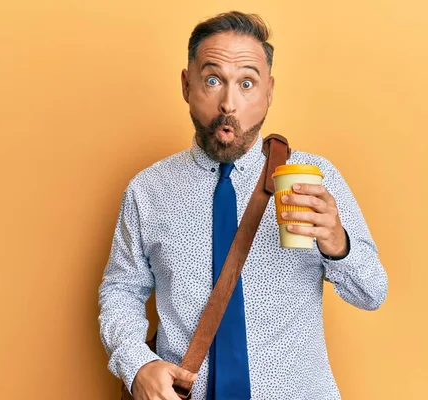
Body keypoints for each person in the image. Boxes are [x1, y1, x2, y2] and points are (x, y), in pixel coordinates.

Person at [98, 11, 388, 400]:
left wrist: (338, 243)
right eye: (213, 80)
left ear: (269, 90)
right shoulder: (147, 190)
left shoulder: (314, 178)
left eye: (247, 83)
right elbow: (121, 290)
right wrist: (138, 364)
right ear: (187, 85)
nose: (228, 103)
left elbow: (372, 294)